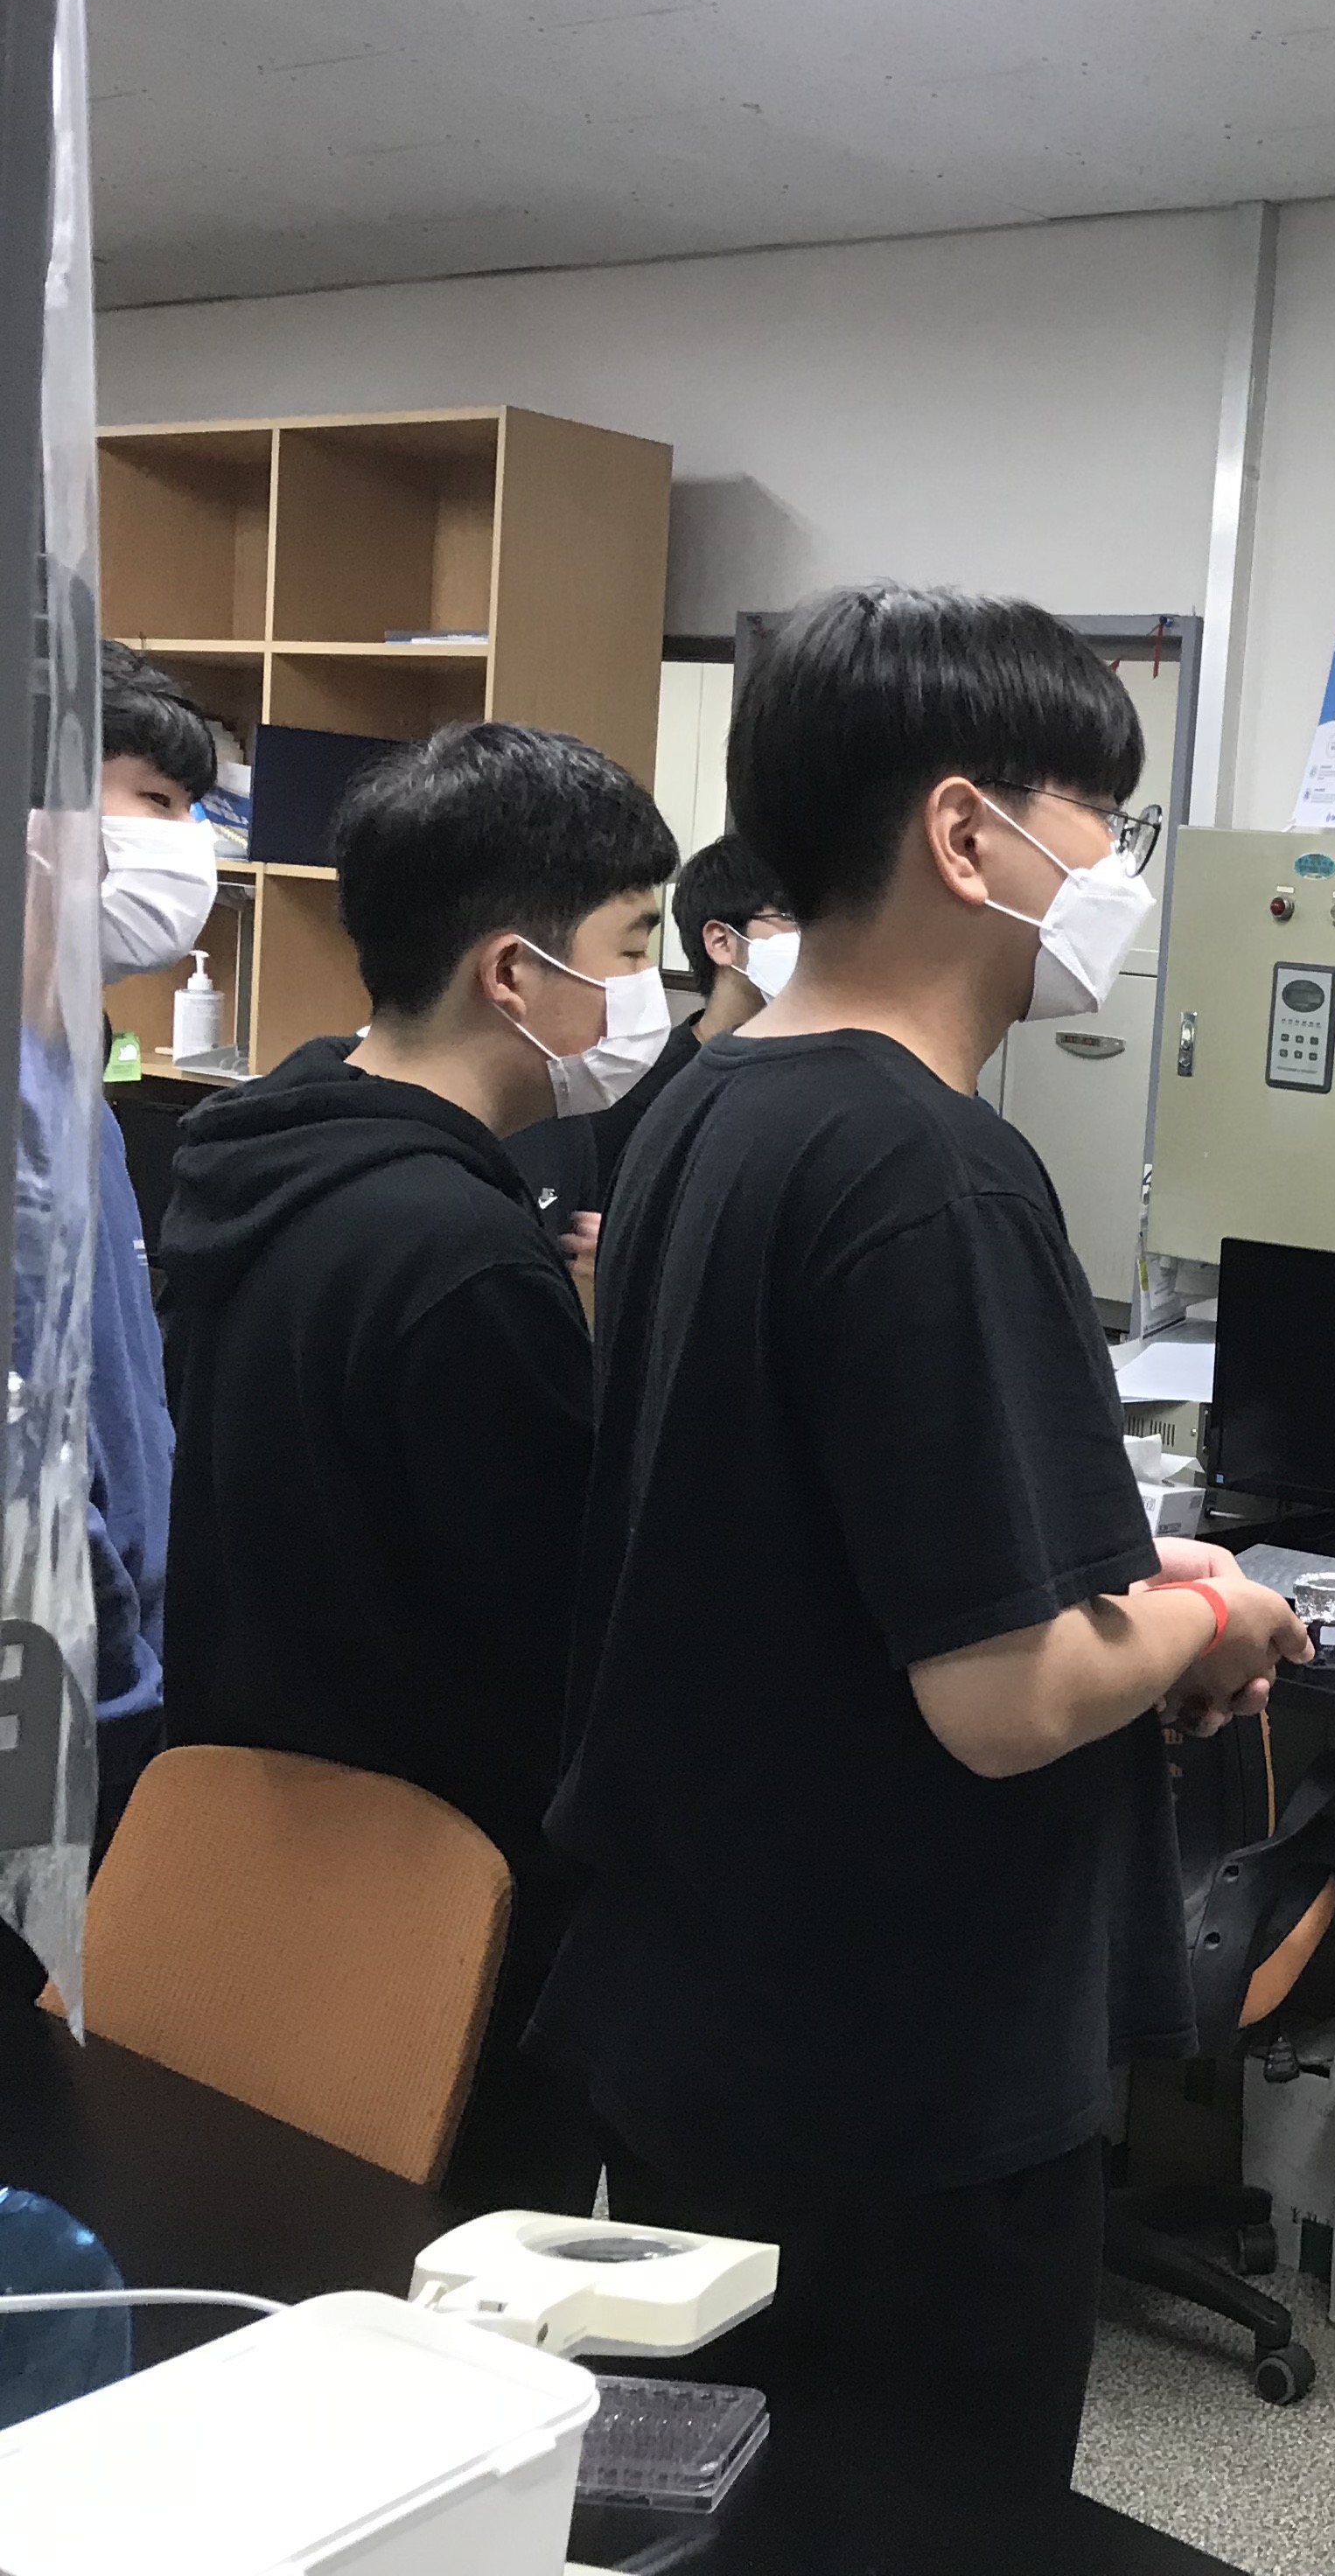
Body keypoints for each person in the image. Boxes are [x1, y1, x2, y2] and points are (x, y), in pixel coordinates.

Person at [531, 583, 1307, 2490]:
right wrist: (1209, 1616)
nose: (1115, 870)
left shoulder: (711, 1106)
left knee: (738, 2503)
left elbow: (813, 1549)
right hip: (898, 2064)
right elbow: (1005, 1694)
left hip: (713, 2008)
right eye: (1100, 820)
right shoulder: (936, 1172)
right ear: (967, 835)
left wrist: (1127, 1601)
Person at [161, 721, 674, 2213]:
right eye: (632, 945)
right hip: (450, 1896)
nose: (648, 992)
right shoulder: (457, 1258)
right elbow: (553, 1640)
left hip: (263, 1855)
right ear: (513, 974)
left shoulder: (262, 1157)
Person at [83, 646, 223, 1833]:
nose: (191, 846)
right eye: (160, 803)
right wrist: (118, 1679)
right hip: (73, 1701)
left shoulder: (65, 1070)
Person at [510, 831, 794, 1309]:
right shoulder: (631, 1085)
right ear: (721, 941)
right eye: (791, 918)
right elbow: (588, 1241)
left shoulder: (818, 1084)